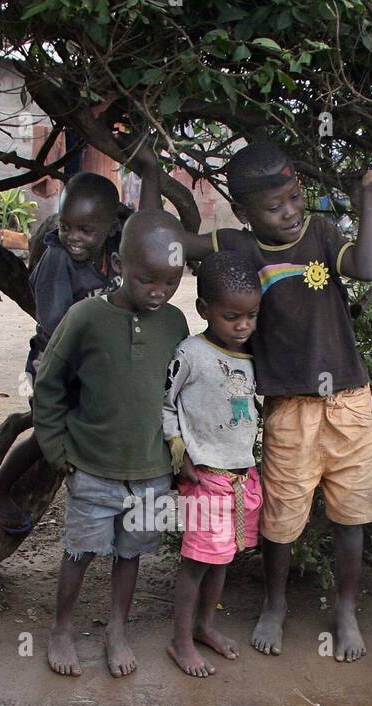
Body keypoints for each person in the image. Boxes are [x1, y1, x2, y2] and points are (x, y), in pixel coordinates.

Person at [136, 139, 372, 662]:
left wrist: (367, 194)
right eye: (274, 207)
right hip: (287, 408)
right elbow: (161, 245)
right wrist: (149, 176)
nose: (289, 213)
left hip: (349, 401)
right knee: (281, 518)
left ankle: (345, 609)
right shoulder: (237, 246)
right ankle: (274, 604)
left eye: (294, 198)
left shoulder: (322, 234)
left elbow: (368, 267)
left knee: (352, 515)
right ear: (243, 212)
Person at [33, 210, 189, 677]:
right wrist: (57, 451)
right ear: (119, 264)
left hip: (152, 473)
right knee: (79, 552)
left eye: (170, 282)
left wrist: (180, 458)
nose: (158, 292)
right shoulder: (86, 317)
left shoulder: (174, 324)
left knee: (131, 555)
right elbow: (49, 383)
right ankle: (62, 629)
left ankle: (116, 629)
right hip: (92, 469)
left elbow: (176, 393)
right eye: (146, 280)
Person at [0, 172, 125, 533]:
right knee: (50, 433)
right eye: (66, 227)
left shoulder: (116, 250)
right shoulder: (58, 261)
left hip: (91, 362)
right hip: (54, 361)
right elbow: (55, 327)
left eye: (85, 230)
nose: (73, 238)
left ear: (110, 227)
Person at [163, 252, 263, 677]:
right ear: (204, 310)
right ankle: (180, 640)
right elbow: (165, 404)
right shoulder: (190, 353)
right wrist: (177, 450)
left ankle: (205, 626)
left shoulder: (252, 357)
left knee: (223, 557)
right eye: (231, 316)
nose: (243, 325)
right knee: (197, 561)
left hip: (242, 475)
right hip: (204, 475)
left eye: (251, 316)